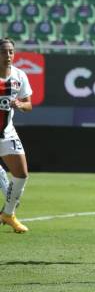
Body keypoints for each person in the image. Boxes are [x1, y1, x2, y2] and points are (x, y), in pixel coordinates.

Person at [0, 38, 33, 233]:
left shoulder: (20, 75)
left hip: (7, 132)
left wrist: (21, 105)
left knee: (21, 174)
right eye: (4, 52)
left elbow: (29, 105)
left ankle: (8, 214)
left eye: (11, 52)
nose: (8, 56)